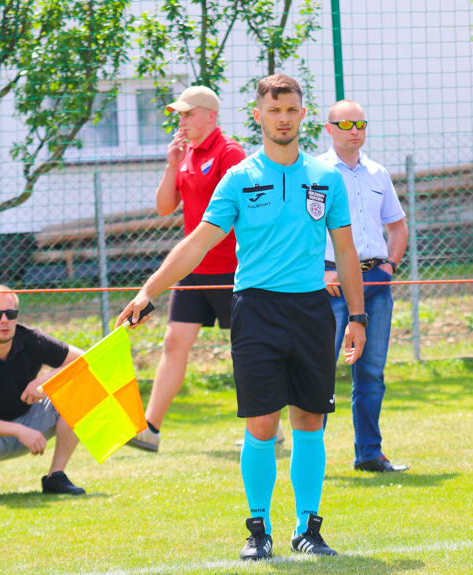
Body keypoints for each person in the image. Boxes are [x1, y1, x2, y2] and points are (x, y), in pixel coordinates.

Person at [116, 74, 366, 561]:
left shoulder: (326, 177)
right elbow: (198, 243)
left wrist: (357, 314)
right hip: (255, 309)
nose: (284, 118)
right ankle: (259, 531)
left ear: (301, 114)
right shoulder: (240, 177)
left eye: (292, 110)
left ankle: (308, 529)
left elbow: (346, 250)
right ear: (259, 116)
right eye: (274, 111)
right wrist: (149, 291)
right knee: (261, 423)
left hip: (313, 309)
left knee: (311, 419)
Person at [129, 86, 249, 453]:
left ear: (211, 116)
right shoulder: (185, 155)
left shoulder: (231, 153)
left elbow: (240, 213)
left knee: (246, 349)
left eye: (187, 114)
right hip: (193, 270)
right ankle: (150, 428)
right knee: (173, 342)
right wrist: (171, 164)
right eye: (179, 115)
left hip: (232, 270)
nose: (181, 121)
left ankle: (268, 427)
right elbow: (165, 207)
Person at [318, 99, 409, 473]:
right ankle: (312, 457)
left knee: (370, 373)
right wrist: (319, 272)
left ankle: (369, 454)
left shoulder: (378, 172)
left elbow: (397, 226)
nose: (355, 130)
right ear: (329, 129)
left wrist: (388, 266)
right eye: (345, 124)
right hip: (330, 284)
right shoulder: (315, 172)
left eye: (360, 123)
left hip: (375, 282)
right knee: (319, 372)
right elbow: (302, 231)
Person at [0, 285, 86, 498]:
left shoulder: (30, 338)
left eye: (11, 314)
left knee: (81, 388)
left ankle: (55, 476)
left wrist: (44, 381)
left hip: (31, 418)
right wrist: (19, 432)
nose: (4, 320)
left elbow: (84, 361)